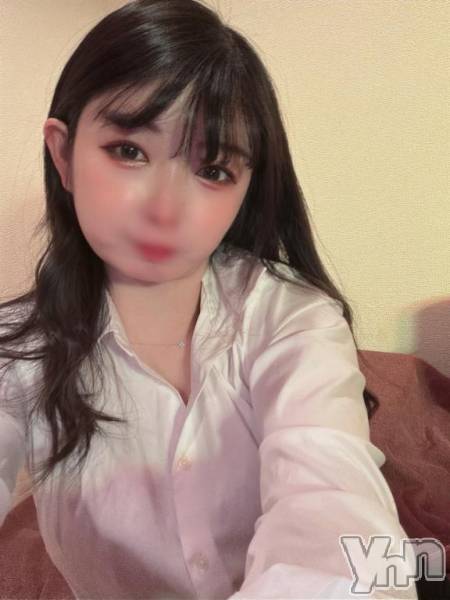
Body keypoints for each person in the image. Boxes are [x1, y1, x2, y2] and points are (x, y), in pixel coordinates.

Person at [0, 1, 418, 598]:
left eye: (214, 170)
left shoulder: (291, 319)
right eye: (129, 150)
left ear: (246, 189)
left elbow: (336, 513)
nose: (165, 209)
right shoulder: (18, 352)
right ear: (63, 154)